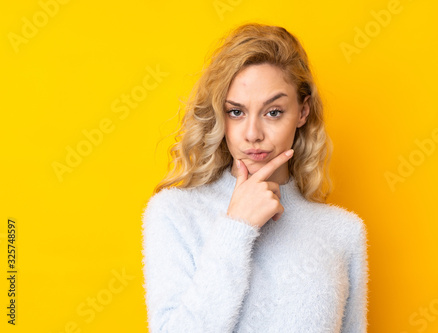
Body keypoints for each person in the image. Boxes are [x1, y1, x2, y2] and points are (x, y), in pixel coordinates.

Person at [141, 23, 369, 333]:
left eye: (273, 112)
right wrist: (236, 228)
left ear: (302, 112)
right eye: (236, 112)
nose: (252, 134)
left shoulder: (343, 232)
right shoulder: (175, 213)